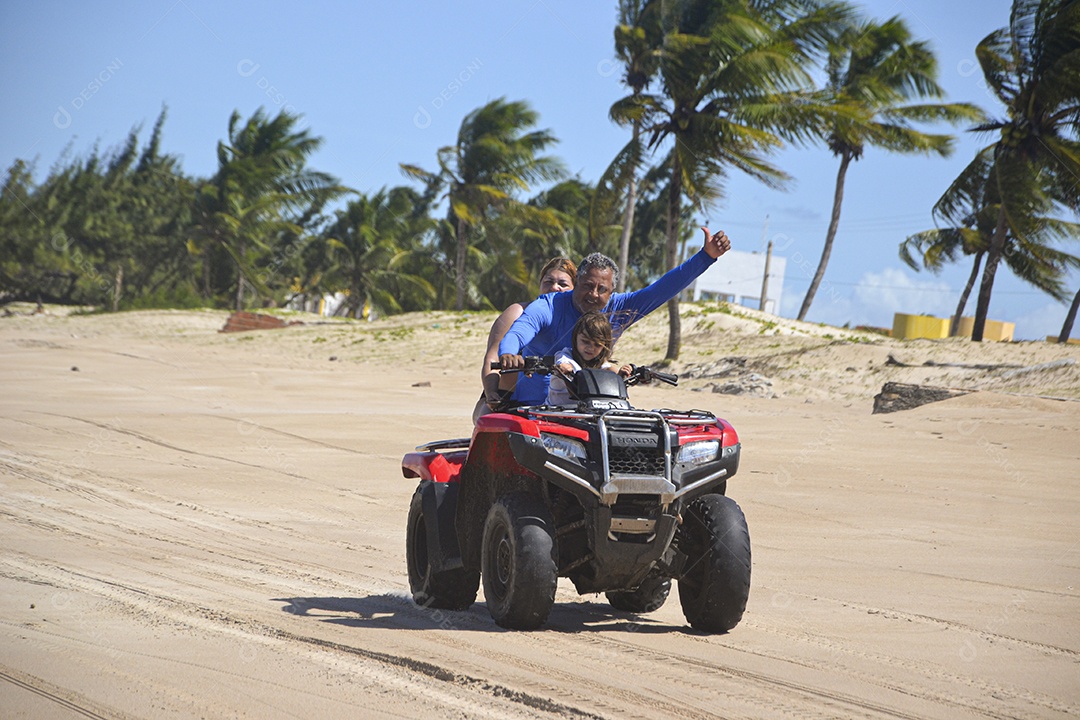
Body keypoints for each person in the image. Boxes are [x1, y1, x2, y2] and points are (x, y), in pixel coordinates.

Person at [498, 226, 731, 406]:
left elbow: (663, 289)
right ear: (576, 282)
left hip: (592, 406)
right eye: (587, 286)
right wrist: (509, 354)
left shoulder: (620, 308)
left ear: (612, 292)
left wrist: (706, 257)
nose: (593, 295)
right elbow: (518, 333)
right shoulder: (547, 306)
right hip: (534, 408)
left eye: (602, 290)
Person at [472, 257, 576, 422]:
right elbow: (492, 357)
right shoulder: (517, 312)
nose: (554, 287)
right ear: (540, 284)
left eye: (562, 284)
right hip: (511, 399)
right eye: (548, 282)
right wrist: (491, 392)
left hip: (562, 403)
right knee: (486, 418)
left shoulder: (579, 320)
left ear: (574, 289)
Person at [547, 312, 632, 406]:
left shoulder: (599, 363)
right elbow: (563, 363)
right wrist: (564, 368)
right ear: (576, 338)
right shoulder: (565, 356)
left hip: (588, 414)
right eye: (585, 341)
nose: (591, 348)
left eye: (597, 345)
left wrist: (620, 375)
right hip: (556, 414)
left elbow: (608, 368)